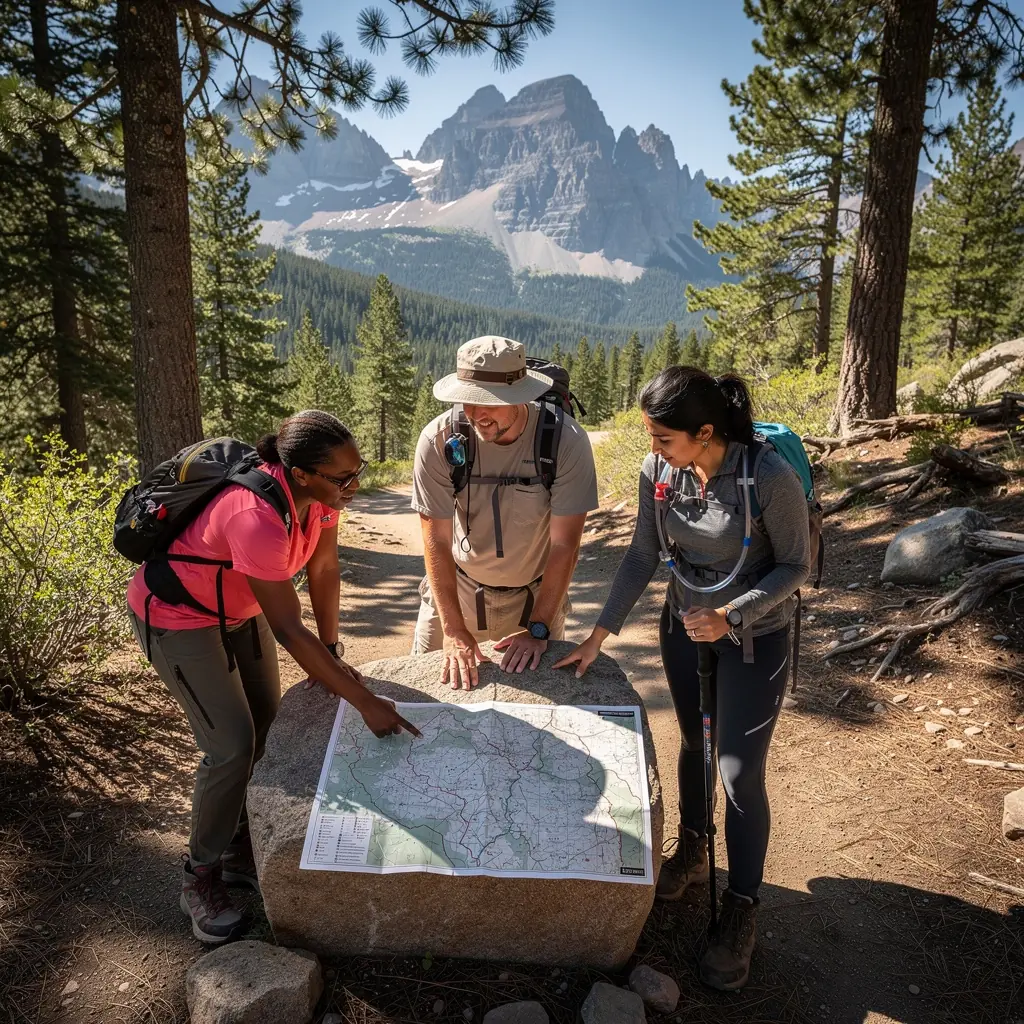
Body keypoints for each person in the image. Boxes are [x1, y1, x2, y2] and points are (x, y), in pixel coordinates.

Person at [555, 367, 811, 991]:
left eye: (663, 438)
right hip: (683, 626)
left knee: (737, 768)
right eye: (649, 435)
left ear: (705, 431)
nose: (652, 449)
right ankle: (695, 849)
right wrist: (597, 635)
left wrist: (733, 615)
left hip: (754, 637)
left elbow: (797, 567)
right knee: (695, 743)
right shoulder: (660, 473)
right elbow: (644, 554)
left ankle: (742, 906)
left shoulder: (767, 476)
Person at [125, 411, 418, 944]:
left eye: (360, 472)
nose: (355, 486)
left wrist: (332, 652)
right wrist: (361, 700)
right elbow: (287, 627)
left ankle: (240, 845)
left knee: (269, 726)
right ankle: (199, 876)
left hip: (237, 609)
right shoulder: (255, 515)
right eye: (343, 478)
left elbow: (324, 571)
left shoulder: (320, 503)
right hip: (177, 616)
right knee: (232, 745)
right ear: (302, 473)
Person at [411, 336, 599, 687]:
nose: (476, 414)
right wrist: (452, 628)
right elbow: (435, 539)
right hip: (456, 595)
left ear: (523, 396)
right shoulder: (439, 439)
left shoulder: (565, 441)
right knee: (424, 703)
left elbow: (564, 546)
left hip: (536, 600)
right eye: (468, 400)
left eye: (491, 403)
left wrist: (539, 628)